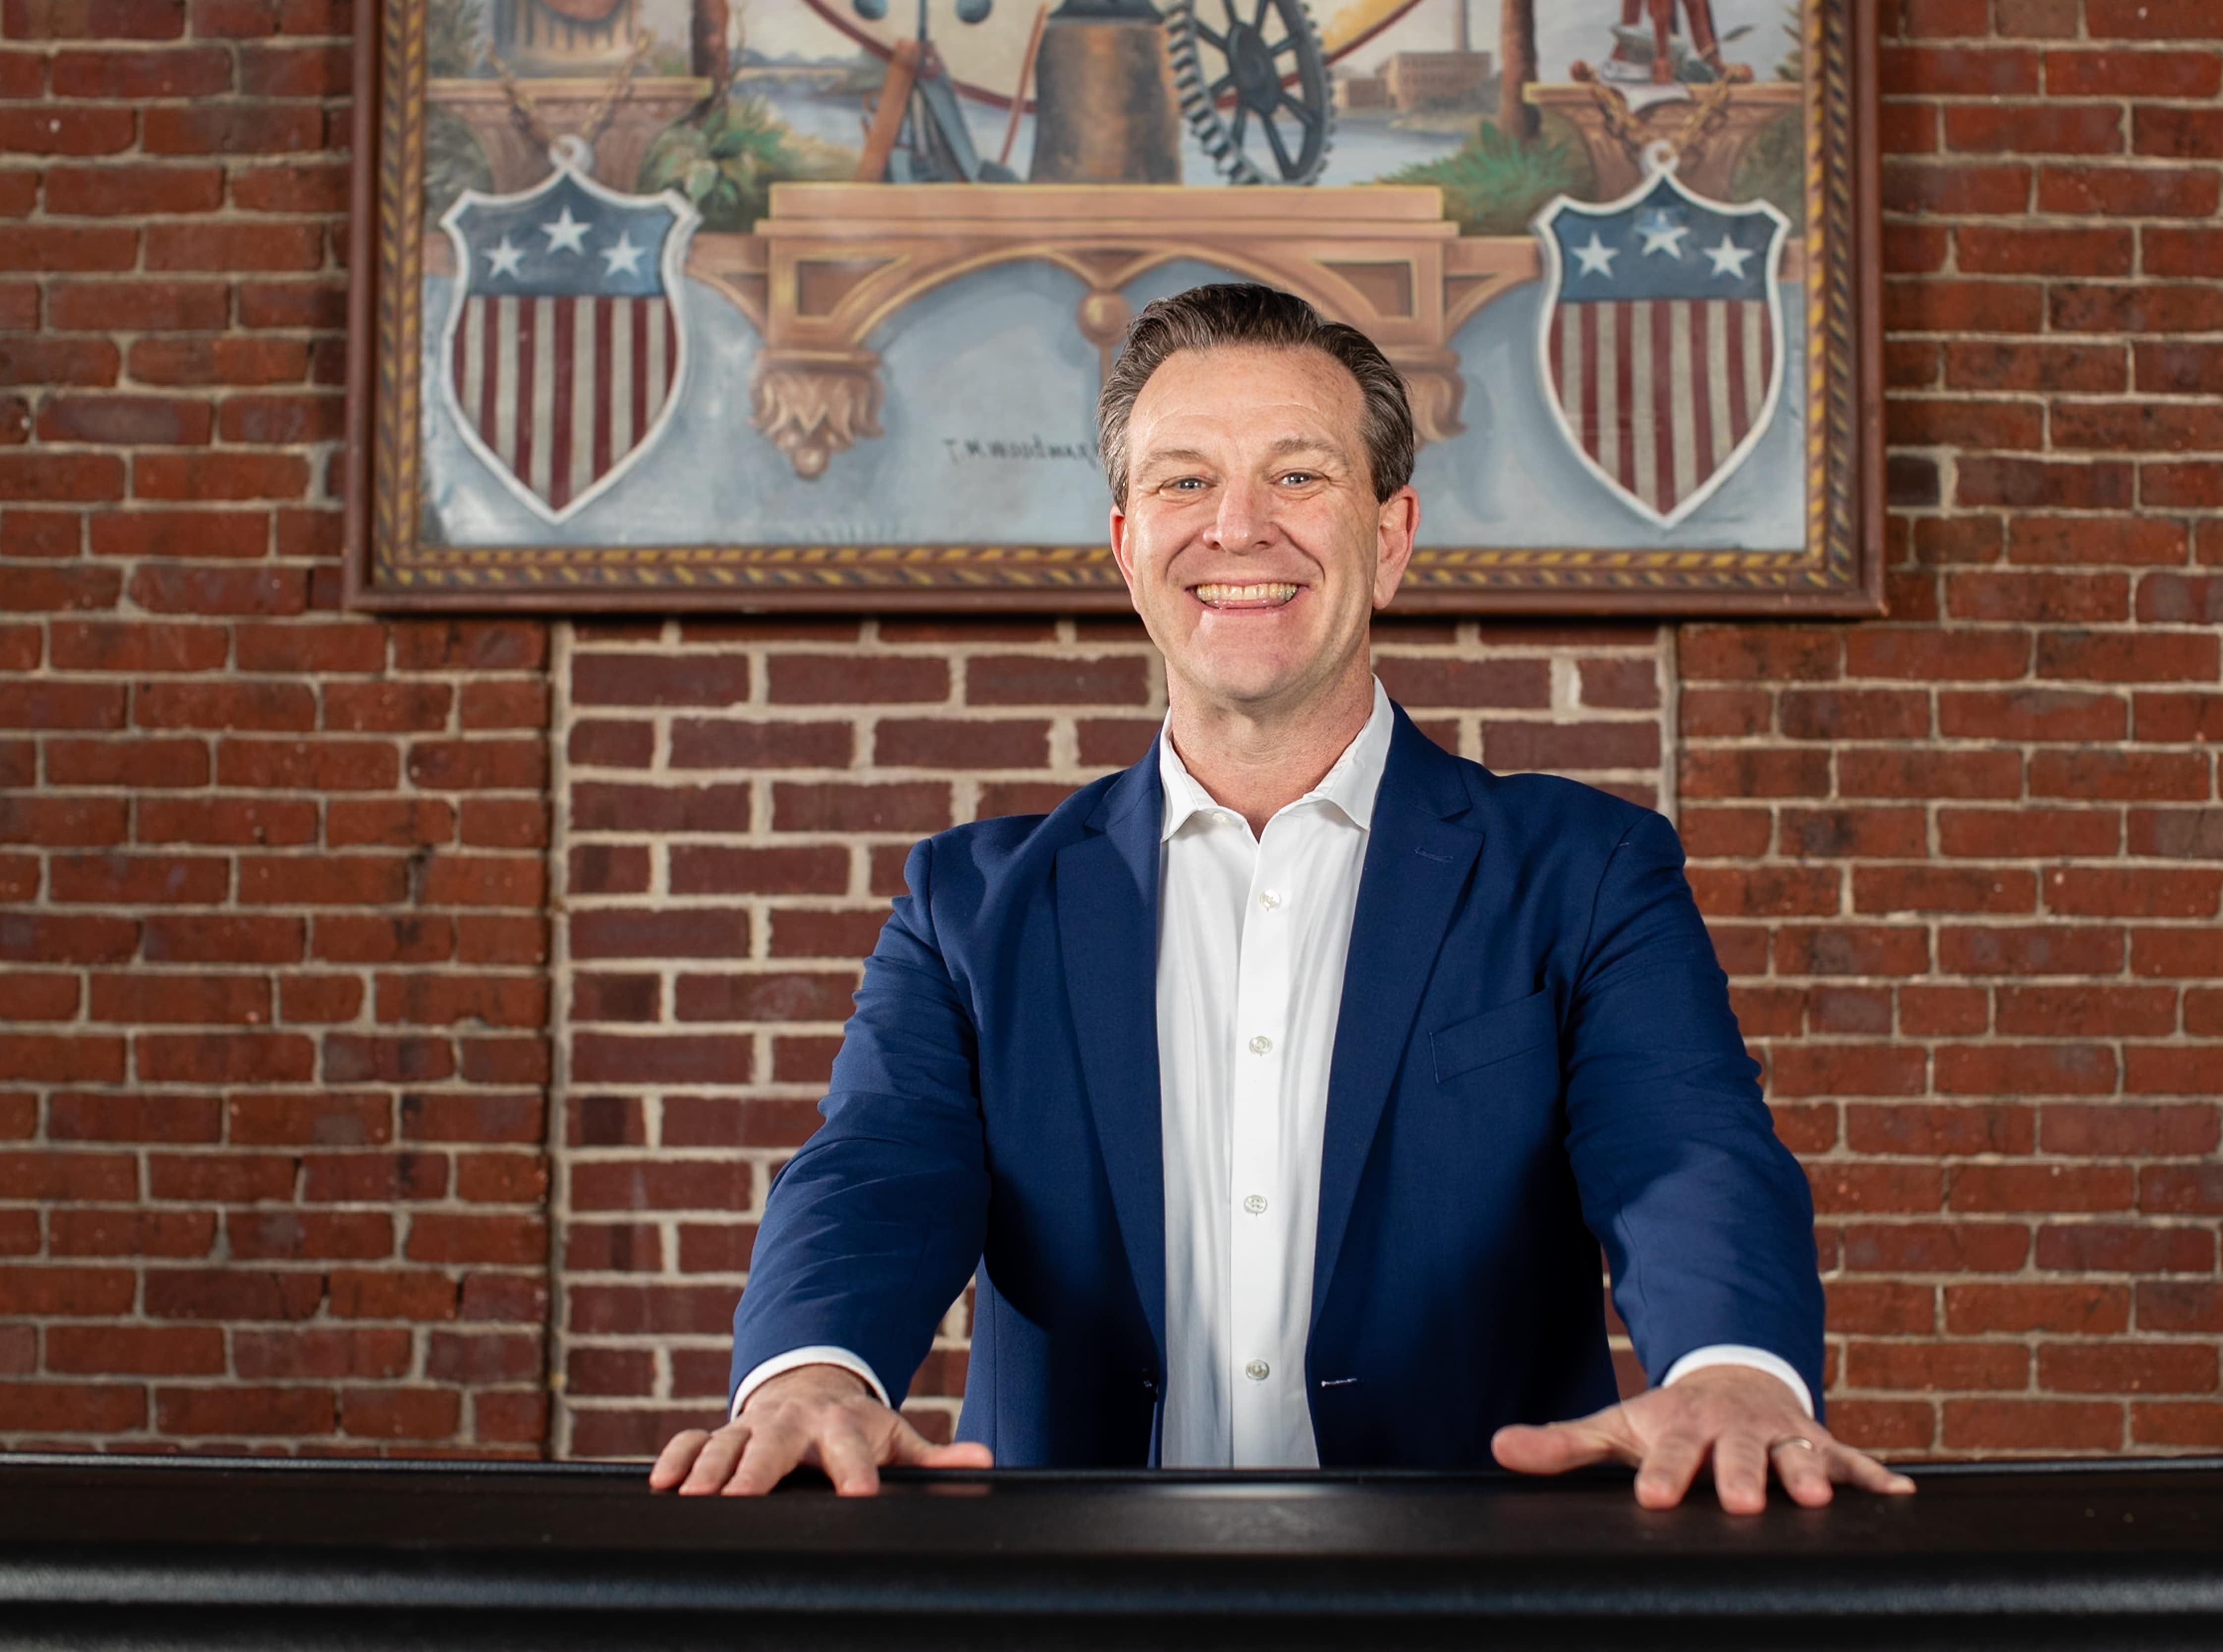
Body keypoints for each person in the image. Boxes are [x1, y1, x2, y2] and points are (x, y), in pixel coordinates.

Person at [651, 283, 1913, 1513]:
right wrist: (810, 1370)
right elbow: (876, 1167)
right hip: (1071, 1612)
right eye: (1183, 480)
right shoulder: (970, 904)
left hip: (1465, 1603)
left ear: (1391, 536)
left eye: (1298, 475)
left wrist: (1732, 1371)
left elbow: (1683, 1146)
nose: (1237, 526)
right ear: (1126, 546)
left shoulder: (1582, 872)